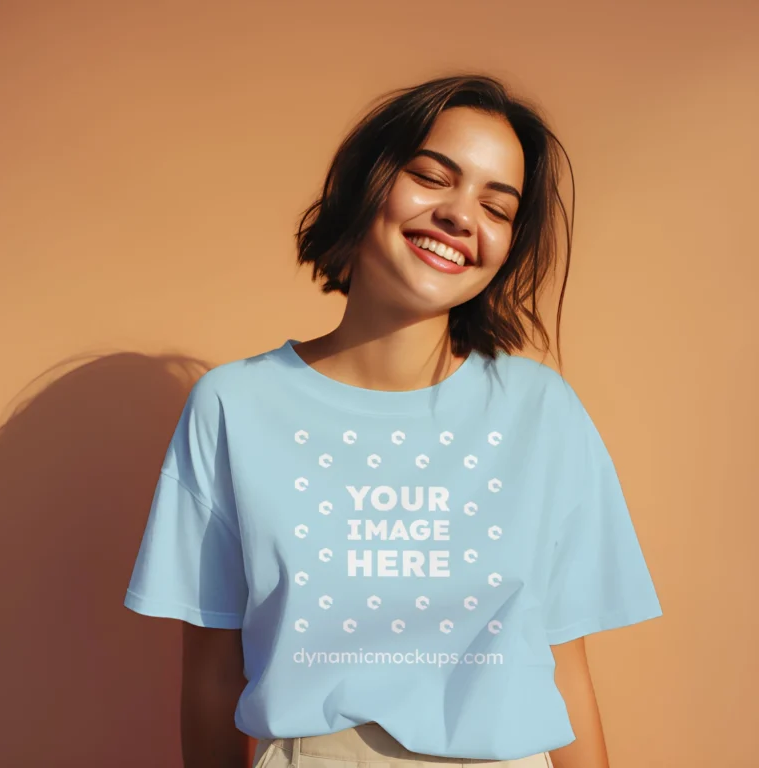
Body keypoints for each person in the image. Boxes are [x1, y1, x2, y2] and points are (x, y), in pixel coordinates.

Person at [123, 73, 663, 768]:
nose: (462, 216)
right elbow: (211, 674)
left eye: (497, 208)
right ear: (367, 182)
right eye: (433, 177)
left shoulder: (542, 413)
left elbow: (562, 669)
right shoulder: (234, 407)